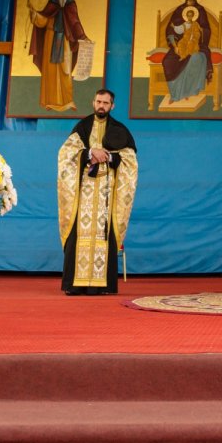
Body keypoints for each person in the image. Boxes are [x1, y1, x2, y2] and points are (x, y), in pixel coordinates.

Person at [56, 89, 138, 295]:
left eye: (106, 103)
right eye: (99, 101)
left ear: (112, 106)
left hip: (107, 195)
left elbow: (130, 161)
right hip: (83, 192)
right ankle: (75, 285)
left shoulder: (120, 130)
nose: (102, 106)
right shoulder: (82, 127)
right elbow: (66, 154)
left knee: (104, 235)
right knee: (78, 233)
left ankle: (100, 285)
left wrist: (109, 157)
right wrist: (91, 152)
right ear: (93, 102)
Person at [28, 0, 88, 112]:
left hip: (66, 39)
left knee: (65, 70)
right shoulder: (52, 3)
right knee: (50, 70)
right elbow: (43, 20)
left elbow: (75, 22)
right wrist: (34, 14)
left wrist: (83, 37)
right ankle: (49, 101)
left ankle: (68, 101)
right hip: (50, 38)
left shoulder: (71, 4)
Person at [162, 0, 213, 103]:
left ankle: (187, 92)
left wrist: (200, 30)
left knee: (195, 59)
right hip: (180, 45)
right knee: (167, 61)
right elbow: (171, 29)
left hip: (197, 46)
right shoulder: (179, 10)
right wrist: (174, 46)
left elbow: (207, 29)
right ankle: (174, 94)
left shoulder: (200, 11)